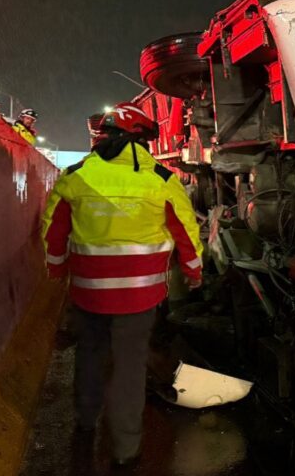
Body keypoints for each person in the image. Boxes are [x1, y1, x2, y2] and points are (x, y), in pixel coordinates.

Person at [41, 101, 203, 468]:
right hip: (140, 297)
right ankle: (126, 453)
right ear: (139, 142)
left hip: (88, 294)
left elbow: (53, 231)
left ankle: (84, 428)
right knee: (129, 369)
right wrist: (194, 272)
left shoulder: (75, 176)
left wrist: (56, 270)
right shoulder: (161, 180)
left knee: (90, 357)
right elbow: (186, 234)